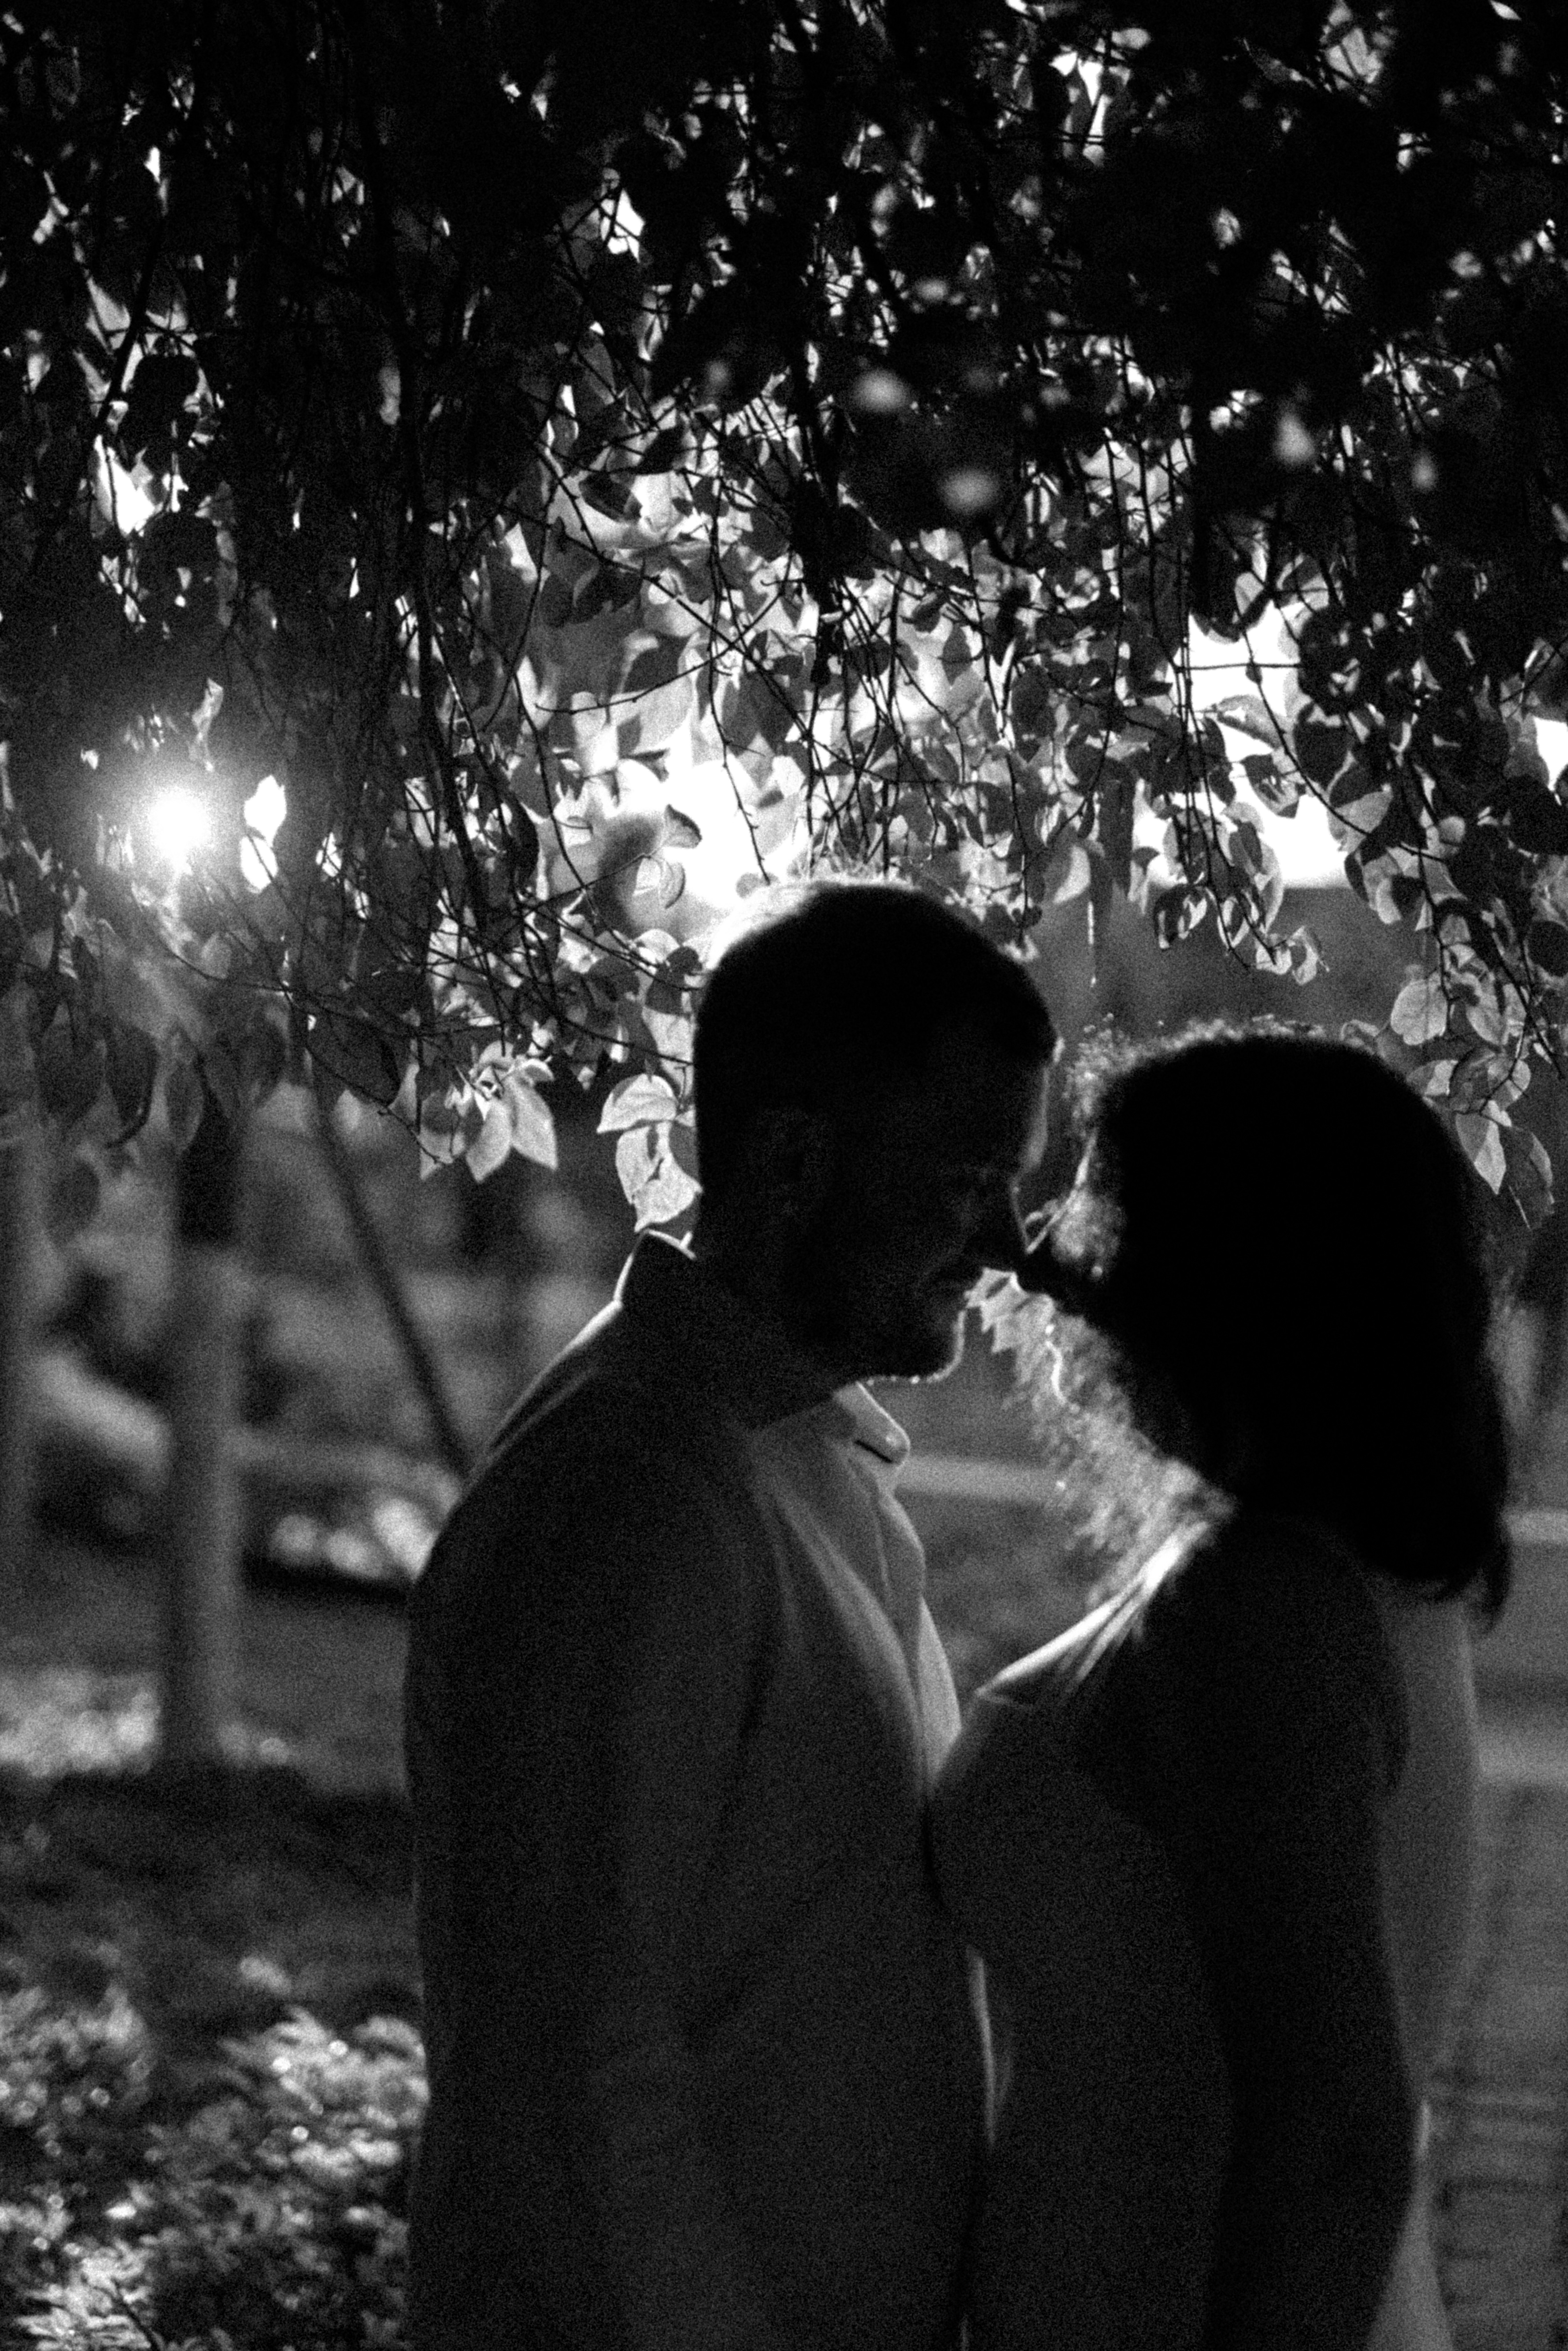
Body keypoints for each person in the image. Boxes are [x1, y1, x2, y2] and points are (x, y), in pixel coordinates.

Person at [404, 878, 1056, 2351]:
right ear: (790, 1160)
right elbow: (576, 2066)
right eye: (965, 1180)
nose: (1007, 1242)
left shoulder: (784, 1459)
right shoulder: (630, 1498)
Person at [932, 1024, 1507, 2351]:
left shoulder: (1261, 1609)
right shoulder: (1334, 1567)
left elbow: (1336, 2140)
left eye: (1108, 1200)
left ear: (1218, 1260)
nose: (1065, 1255)